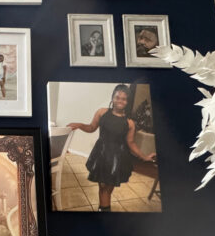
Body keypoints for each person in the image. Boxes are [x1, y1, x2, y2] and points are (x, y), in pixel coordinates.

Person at [67, 84, 156, 212]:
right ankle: (103, 209)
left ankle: (104, 211)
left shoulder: (129, 123)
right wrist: (80, 125)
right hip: (101, 155)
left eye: (124, 99)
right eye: (117, 97)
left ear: (127, 101)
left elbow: (131, 143)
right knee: (102, 186)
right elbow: (91, 128)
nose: (120, 101)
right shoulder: (101, 112)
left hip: (116, 159)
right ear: (113, 97)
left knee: (107, 188)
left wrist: (145, 157)